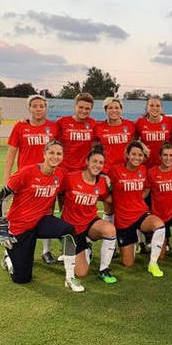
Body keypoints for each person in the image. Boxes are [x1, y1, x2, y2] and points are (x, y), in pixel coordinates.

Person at [0, 140, 84, 291]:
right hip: (20, 226)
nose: (55, 156)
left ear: (62, 157)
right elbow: (2, 197)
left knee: (68, 230)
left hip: (41, 220)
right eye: (51, 153)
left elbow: (77, 181)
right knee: (23, 279)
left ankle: (70, 277)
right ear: (44, 154)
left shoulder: (61, 174)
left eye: (59, 153)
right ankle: (8, 258)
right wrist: (2, 226)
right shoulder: (26, 172)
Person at [3, 94, 59, 265]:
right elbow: (11, 152)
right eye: (35, 106)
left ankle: (46, 251)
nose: (38, 109)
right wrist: (7, 178)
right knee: (16, 215)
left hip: (48, 179)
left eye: (41, 106)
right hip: (25, 181)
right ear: (29, 108)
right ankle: (8, 251)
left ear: (46, 108)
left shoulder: (53, 127)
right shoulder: (20, 126)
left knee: (47, 213)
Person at [108, 141, 167, 277]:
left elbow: (146, 188)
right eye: (134, 154)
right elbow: (106, 189)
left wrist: (138, 199)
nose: (137, 157)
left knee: (159, 225)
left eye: (140, 155)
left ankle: (152, 264)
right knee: (128, 263)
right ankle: (135, 242)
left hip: (140, 214)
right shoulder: (115, 170)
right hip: (123, 220)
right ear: (127, 155)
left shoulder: (143, 170)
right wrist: (115, 202)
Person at [59, 145, 117, 284]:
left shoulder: (102, 182)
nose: (97, 165)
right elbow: (59, 193)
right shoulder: (71, 178)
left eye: (101, 163)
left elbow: (108, 199)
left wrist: (117, 190)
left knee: (110, 230)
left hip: (90, 222)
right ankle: (86, 248)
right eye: (94, 161)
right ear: (87, 162)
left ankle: (104, 269)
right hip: (72, 228)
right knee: (81, 273)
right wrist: (62, 213)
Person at [54, 92, 98, 263]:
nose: (84, 111)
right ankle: (66, 247)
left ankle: (85, 244)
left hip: (85, 175)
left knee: (85, 211)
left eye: (87, 108)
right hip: (65, 174)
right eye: (81, 107)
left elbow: (95, 147)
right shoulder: (62, 122)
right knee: (65, 212)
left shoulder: (93, 125)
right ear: (75, 106)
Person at [94, 97, 136, 174]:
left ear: (121, 109)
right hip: (107, 170)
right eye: (110, 108)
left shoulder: (130, 125)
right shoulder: (98, 127)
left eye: (117, 108)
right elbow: (93, 148)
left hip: (127, 169)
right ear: (105, 110)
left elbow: (135, 144)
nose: (114, 110)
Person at [135, 96, 172, 169]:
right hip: (146, 165)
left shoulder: (169, 121)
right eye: (151, 105)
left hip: (164, 165)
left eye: (157, 106)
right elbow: (134, 141)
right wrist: (141, 145)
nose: (154, 108)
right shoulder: (140, 122)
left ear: (161, 108)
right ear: (147, 108)